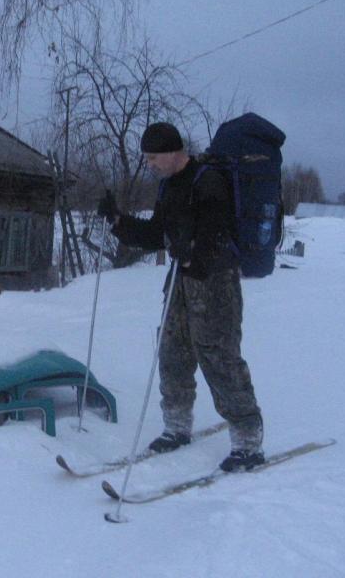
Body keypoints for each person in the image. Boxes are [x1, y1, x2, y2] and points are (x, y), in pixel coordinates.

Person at [96, 122, 264, 472]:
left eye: (154, 157)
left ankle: (247, 440)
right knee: (172, 351)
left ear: (174, 151)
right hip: (181, 280)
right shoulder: (168, 187)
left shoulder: (208, 182)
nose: (151, 164)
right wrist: (117, 222)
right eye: (147, 158)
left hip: (214, 282)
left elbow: (218, 232)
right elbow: (157, 235)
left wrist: (194, 248)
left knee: (218, 356)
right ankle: (176, 426)